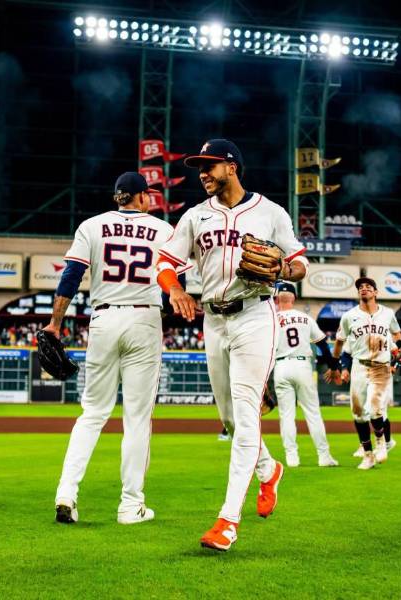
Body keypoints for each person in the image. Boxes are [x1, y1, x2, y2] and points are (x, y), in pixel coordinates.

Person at [156, 139, 309, 552]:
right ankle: (269, 469)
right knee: (229, 419)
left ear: (232, 167)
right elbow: (166, 262)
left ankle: (227, 521)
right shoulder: (195, 216)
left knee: (244, 412)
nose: (202, 173)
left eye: (209, 166)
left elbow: (300, 263)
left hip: (255, 316)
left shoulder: (270, 212)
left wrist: (283, 267)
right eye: (199, 167)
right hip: (213, 319)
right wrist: (174, 290)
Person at [46, 172, 189, 526]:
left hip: (104, 318)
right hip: (144, 318)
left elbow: (70, 277)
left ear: (117, 197)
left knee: (92, 412)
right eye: (148, 194)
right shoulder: (163, 230)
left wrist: (55, 323)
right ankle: (130, 506)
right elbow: (176, 283)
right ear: (140, 197)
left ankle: (66, 492)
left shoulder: (92, 226)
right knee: (137, 418)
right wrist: (166, 310)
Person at [325, 277, 401, 470]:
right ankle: (368, 455)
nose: (364, 289)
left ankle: (382, 444)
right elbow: (339, 342)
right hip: (359, 367)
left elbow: (396, 334)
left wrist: (400, 351)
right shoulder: (349, 316)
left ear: (376, 292)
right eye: (361, 287)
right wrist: (335, 366)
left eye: (369, 286)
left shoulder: (387, 313)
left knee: (374, 408)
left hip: (381, 367)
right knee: (359, 414)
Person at [273, 283, 339, 468]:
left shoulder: (271, 320)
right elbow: (323, 344)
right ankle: (324, 456)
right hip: (302, 365)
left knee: (286, 415)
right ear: (294, 298)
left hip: (281, 366)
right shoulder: (305, 318)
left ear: (277, 299)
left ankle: (292, 458)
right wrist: (333, 367)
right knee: (313, 413)